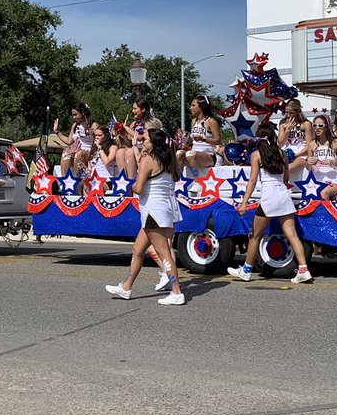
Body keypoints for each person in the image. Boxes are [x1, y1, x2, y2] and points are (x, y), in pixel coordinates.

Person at [105, 128, 185, 305]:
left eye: (146, 139)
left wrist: (127, 186)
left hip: (153, 211)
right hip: (167, 209)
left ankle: (176, 292)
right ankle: (126, 287)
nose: (143, 142)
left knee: (164, 253)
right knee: (137, 250)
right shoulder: (169, 159)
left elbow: (139, 188)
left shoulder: (150, 160)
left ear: (154, 143)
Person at [228, 122, 313, 284]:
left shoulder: (256, 155)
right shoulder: (281, 153)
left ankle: (246, 270)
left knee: (254, 235)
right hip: (283, 195)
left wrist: (244, 202)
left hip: (269, 198)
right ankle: (303, 269)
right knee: (293, 235)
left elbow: (252, 180)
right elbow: (286, 179)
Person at [300, 115, 337, 200]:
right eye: (314, 126)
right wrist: (309, 162)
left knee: (323, 192)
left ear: (327, 127)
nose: (317, 128)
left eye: (320, 126)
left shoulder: (336, 143)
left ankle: (325, 213)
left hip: (333, 180)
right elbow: (308, 168)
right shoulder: (312, 144)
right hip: (316, 180)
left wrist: (333, 163)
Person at [179, 95, 222, 174]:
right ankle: (178, 180)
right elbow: (193, 140)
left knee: (190, 154)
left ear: (201, 107)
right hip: (194, 153)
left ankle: (197, 182)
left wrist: (203, 139)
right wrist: (185, 137)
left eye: (193, 105)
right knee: (179, 154)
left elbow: (218, 140)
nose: (190, 108)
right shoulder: (193, 121)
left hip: (209, 155)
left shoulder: (211, 121)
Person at [52, 103, 92, 176]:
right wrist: (57, 131)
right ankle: (65, 181)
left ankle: (76, 179)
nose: (74, 117)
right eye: (73, 115)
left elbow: (99, 139)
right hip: (78, 150)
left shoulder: (92, 124)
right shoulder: (75, 125)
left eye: (75, 115)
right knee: (66, 153)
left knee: (79, 154)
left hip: (89, 151)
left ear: (82, 113)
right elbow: (69, 141)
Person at [277, 99, 309, 169]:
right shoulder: (283, 123)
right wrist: (287, 130)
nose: (288, 115)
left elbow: (309, 145)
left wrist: (295, 155)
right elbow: (280, 143)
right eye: (286, 112)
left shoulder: (306, 124)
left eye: (291, 113)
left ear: (297, 112)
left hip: (302, 153)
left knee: (289, 168)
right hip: (287, 151)